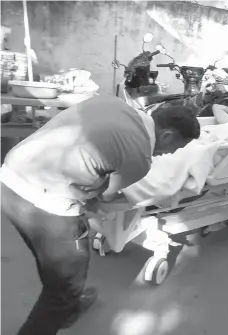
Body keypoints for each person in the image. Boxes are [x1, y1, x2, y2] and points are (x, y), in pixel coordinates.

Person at [0, 94, 200, 335]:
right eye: (176, 148)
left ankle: (70, 306)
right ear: (167, 135)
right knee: (65, 284)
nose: (169, 154)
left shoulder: (112, 102)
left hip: (9, 177)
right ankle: (65, 300)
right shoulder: (140, 157)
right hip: (46, 205)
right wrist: (97, 192)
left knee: (52, 259)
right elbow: (107, 196)